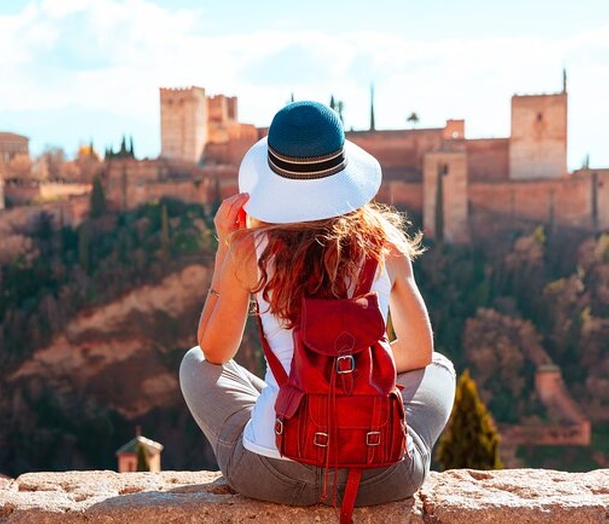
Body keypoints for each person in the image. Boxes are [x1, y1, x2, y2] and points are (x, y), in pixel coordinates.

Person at [179, 100, 456, 508]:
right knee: (439, 367)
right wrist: (351, 373)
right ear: (343, 172)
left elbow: (214, 352)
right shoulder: (386, 247)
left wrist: (225, 246)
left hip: (273, 475)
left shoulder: (249, 251)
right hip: (380, 475)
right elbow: (418, 353)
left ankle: (287, 404)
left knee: (194, 362)